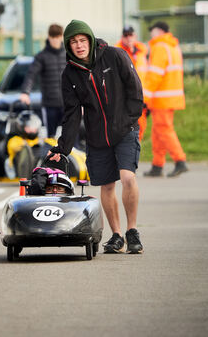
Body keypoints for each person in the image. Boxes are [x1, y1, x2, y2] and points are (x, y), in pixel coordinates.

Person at [48, 19, 144, 254]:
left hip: (125, 129)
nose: (79, 46)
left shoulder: (115, 56)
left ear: (90, 40)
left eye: (82, 40)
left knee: (128, 177)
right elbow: (71, 114)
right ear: (68, 47)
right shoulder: (69, 74)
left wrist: (131, 119)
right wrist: (63, 148)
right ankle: (117, 235)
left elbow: (135, 88)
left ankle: (132, 231)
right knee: (106, 185)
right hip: (96, 137)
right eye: (73, 42)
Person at [143, 21, 188, 178]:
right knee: (158, 132)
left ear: (159, 31)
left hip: (161, 98)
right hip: (170, 97)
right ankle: (157, 165)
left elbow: (154, 75)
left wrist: (144, 97)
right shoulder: (173, 47)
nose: (151, 34)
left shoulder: (160, 47)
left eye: (152, 31)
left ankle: (180, 161)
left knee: (164, 130)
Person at [20, 24, 66, 138]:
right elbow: (31, 75)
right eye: (52, 37)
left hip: (68, 104)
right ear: (49, 37)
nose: (55, 40)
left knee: (71, 137)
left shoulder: (68, 55)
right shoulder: (41, 57)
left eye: (57, 36)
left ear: (62, 37)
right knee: (50, 137)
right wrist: (25, 92)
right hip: (50, 104)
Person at [115, 25, 149, 141]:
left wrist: (148, 99)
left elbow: (147, 76)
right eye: (126, 35)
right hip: (127, 97)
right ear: (122, 37)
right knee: (129, 129)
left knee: (141, 127)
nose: (129, 38)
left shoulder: (141, 53)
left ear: (135, 36)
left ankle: (134, 153)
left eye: (131, 35)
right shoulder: (117, 52)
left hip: (142, 96)